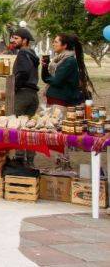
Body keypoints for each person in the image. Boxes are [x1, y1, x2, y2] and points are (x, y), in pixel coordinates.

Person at [10, 27, 40, 166]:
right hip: (33, 95)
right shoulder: (32, 53)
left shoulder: (23, 53)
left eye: (16, 38)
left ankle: (20, 160)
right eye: (13, 37)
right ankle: (31, 162)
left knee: (17, 127)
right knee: (29, 130)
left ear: (25, 40)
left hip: (23, 94)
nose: (12, 40)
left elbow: (22, 73)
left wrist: (14, 88)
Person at [42, 33, 95, 106]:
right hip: (55, 99)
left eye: (56, 42)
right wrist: (45, 66)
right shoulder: (57, 60)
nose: (53, 44)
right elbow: (45, 78)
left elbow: (56, 81)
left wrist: (48, 78)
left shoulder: (69, 61)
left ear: (64, 45)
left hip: (61, 101)